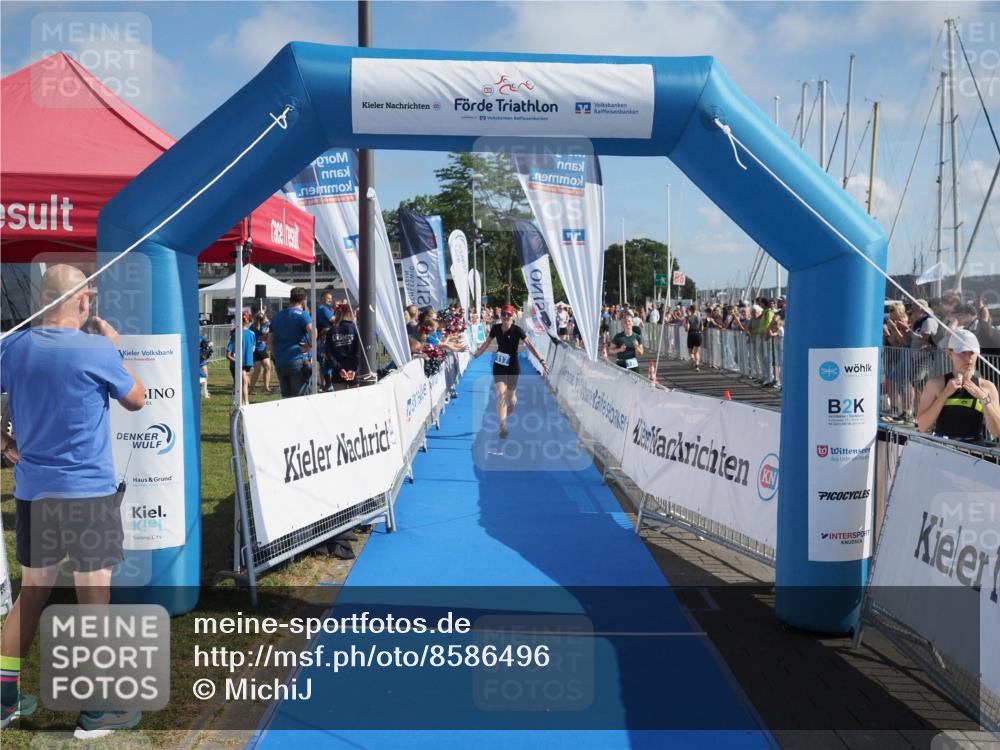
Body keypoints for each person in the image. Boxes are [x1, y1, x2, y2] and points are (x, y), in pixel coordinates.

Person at [0, 264, 145, 736]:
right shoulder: (97, 349)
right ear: (84, 302)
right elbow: (137, 399)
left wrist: (4, 448)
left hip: (34, 492)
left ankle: (3, 697)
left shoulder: (13, 347)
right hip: (87, 496)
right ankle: (100, 709)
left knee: (32, 594)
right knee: (93, 598)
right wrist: (117, 353)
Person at [472, 304, 548, 439]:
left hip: (513, 365)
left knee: (510, 399)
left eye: (508, 315)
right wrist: (476, 354)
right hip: (499, 365)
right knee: (501, 394)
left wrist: (542, 361)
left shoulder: (517, 330)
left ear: (513, 316)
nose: (505, 317)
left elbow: (530, 345)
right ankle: (503, 426)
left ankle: (511, 404)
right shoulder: (495, 328)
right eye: (503, 314)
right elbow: (486, 343)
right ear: (500, 316)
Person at [917, 329, 1000, 440]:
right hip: (943, 449)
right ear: (950, 354)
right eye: (962, 352)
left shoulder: (987, 387)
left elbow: (997, 432)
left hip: (973, 451)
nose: (968, 358)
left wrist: (983, 398)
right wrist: (944, 395)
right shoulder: (935, 385)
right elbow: (922, 426)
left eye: (972, 352)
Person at [268, 287, 313, 398]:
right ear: (303, 300)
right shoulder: (303, 315)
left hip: (281, 361)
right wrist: (310, 346)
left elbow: (270, 339)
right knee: (300, 398)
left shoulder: (277, 316)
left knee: (286, 398)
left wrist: (275, 355)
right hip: (297, 359)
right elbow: (313, 330)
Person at [324, 303, 361, 391]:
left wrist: (339, 368)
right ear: (350, 313)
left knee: (340, 402)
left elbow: (328, 352)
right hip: (353, 368)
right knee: (355, 400)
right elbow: (360, 351)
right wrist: (354, 368)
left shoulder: (332, 330)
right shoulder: (355, 329)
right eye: (354, 312)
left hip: (337, 370)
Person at [226, 313, 256, 405]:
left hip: (245, 363)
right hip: (238, 363)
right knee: (243, 382)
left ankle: (241, 401)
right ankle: (244, 402)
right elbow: (228, 354)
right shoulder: (237, 334)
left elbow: (253, 348)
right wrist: (237, 360)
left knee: (242, 382)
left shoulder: (250, 333)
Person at [248, 311, 273, 395]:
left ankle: (266, 387)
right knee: (257, 369)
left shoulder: (267, 324)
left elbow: (268, 332)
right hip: (255, 349)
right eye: (263, 318)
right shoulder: (253, 327)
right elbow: (260, 337)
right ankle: (251, 388)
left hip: (262, 348)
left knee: (268, 367)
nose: (265, 320)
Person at [315, 292, 335, 390]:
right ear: (322, 299)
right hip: (325, 340)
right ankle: (328, 384)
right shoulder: (323, 309)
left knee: (323, 363)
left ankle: (323, 384)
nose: (330, 300)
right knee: (326, 361)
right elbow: (334, 320)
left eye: (331, 298)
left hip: (321, 339)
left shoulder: (321, 309)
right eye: (328, 298)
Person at [684, 304, 704, 371]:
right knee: (697, 352)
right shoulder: (699, 317)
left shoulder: (688, 318)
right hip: (698, 334)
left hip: (691, 334)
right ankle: (697, 365)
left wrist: (686, 329)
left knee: (690, 352)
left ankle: (693, 361)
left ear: (690, 310)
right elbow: (702, 328)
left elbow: (687, 328)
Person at [198, 333, 213, 399]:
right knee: (199, 376)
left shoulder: (201, 337)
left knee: (205, 375)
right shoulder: (192, 337)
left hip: (202, 359)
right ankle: (200, 391)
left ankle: (204, 391)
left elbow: (209, 343)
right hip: (196, 358)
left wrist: (209, 344)